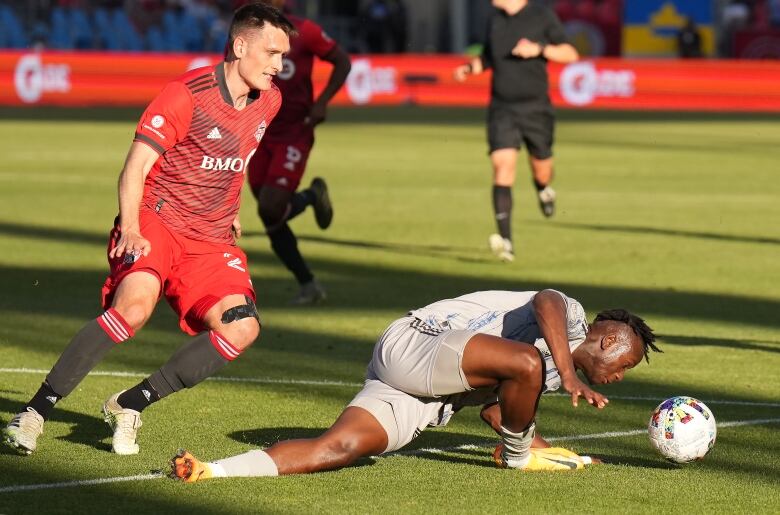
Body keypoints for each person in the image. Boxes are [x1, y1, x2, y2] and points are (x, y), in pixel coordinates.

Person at [2, 3, 294, 456]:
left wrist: (232, 208)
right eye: (272, 52)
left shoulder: (269, 100)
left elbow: (240, 158)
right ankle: (35, 413)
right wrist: (133, 228)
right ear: (240, 46)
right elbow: (136, 165)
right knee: (133, 308)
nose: (279, 64)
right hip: (157, 220)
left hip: (211, 238)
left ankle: (130, 403)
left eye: (283, 55)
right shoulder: (186, 94)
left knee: (242, 328)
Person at [170, 289, 660, 480]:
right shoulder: (568, 317)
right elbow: (545, 302)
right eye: (625, 363)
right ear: (610, 338)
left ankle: (212, 470)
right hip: (417, 344)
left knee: (338, 448)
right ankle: (515, 461)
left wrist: (554, 450)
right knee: (528, 361)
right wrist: (568, 372)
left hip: (423, 392)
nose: (620, 376)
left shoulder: (543, 371)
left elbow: (497, 410)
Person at [453, 0, 579, 262]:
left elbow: (570, 53)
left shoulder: (541, 15)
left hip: (536, 109)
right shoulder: (494, 19)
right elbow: (489, 56)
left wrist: (539, 49)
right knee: (502, 167)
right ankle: (506, 242)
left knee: (542, 169)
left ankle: (543, 189)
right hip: (502, 108)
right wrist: (469, 68)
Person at [246, 0, 351, 305]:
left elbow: (342, 61)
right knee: (271, 217)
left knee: (270, 207)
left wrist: (322, 103)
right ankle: (309, 284)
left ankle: (309, 198)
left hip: (295, 131)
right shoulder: (249, 31)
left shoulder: (305, 32)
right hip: (259, 131)